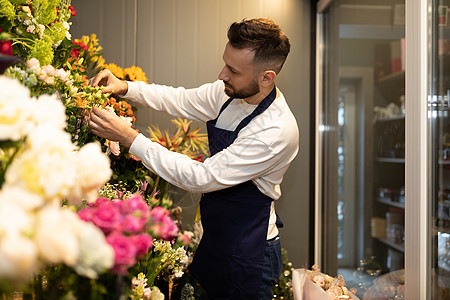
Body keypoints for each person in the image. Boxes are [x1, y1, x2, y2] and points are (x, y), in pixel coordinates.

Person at [88, 18, 299, 299]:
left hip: (250, 252)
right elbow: (180, 99)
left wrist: (129, 138)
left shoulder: (274, 131)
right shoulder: (227, 92)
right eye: (225, 62)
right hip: (216, 238)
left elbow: (201, 177)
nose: (222, 74)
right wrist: (126, 87)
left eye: (233, 70)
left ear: (266, 77)